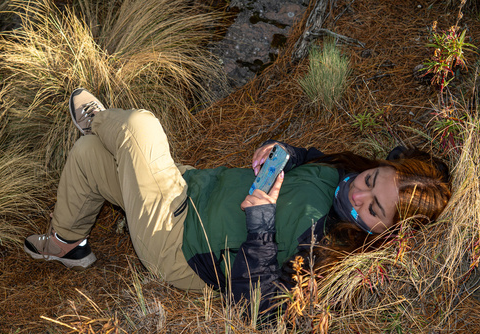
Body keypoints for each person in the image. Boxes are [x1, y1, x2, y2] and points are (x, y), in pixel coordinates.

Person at [24, 89, 451, 318]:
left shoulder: (329, 250)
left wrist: (261, 222)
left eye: (373, 208)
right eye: (370, 179)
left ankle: (95, 119)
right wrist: (284, 151)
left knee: (140, 127)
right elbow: (310, 161)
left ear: (386, 232)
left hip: (178, 242)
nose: (358, 194)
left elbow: (263, 307)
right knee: (89, 158)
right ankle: (68, 244)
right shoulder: (347, 171)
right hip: (191, 187)